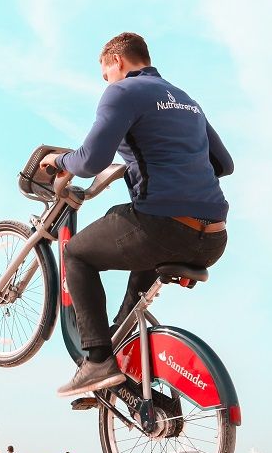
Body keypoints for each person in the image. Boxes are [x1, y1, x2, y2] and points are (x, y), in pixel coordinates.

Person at [40, 32, 233, 396]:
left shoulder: (123, 92)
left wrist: (59, 160)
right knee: (137, 250)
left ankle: (97, 361)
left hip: (163, 227)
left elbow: (90, 161)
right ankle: (119, 346)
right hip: (213, 238)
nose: (106, 82)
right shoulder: (186, 100)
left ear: (117, 61)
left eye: (105, 74)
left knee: (76, 253)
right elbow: (224, 164)